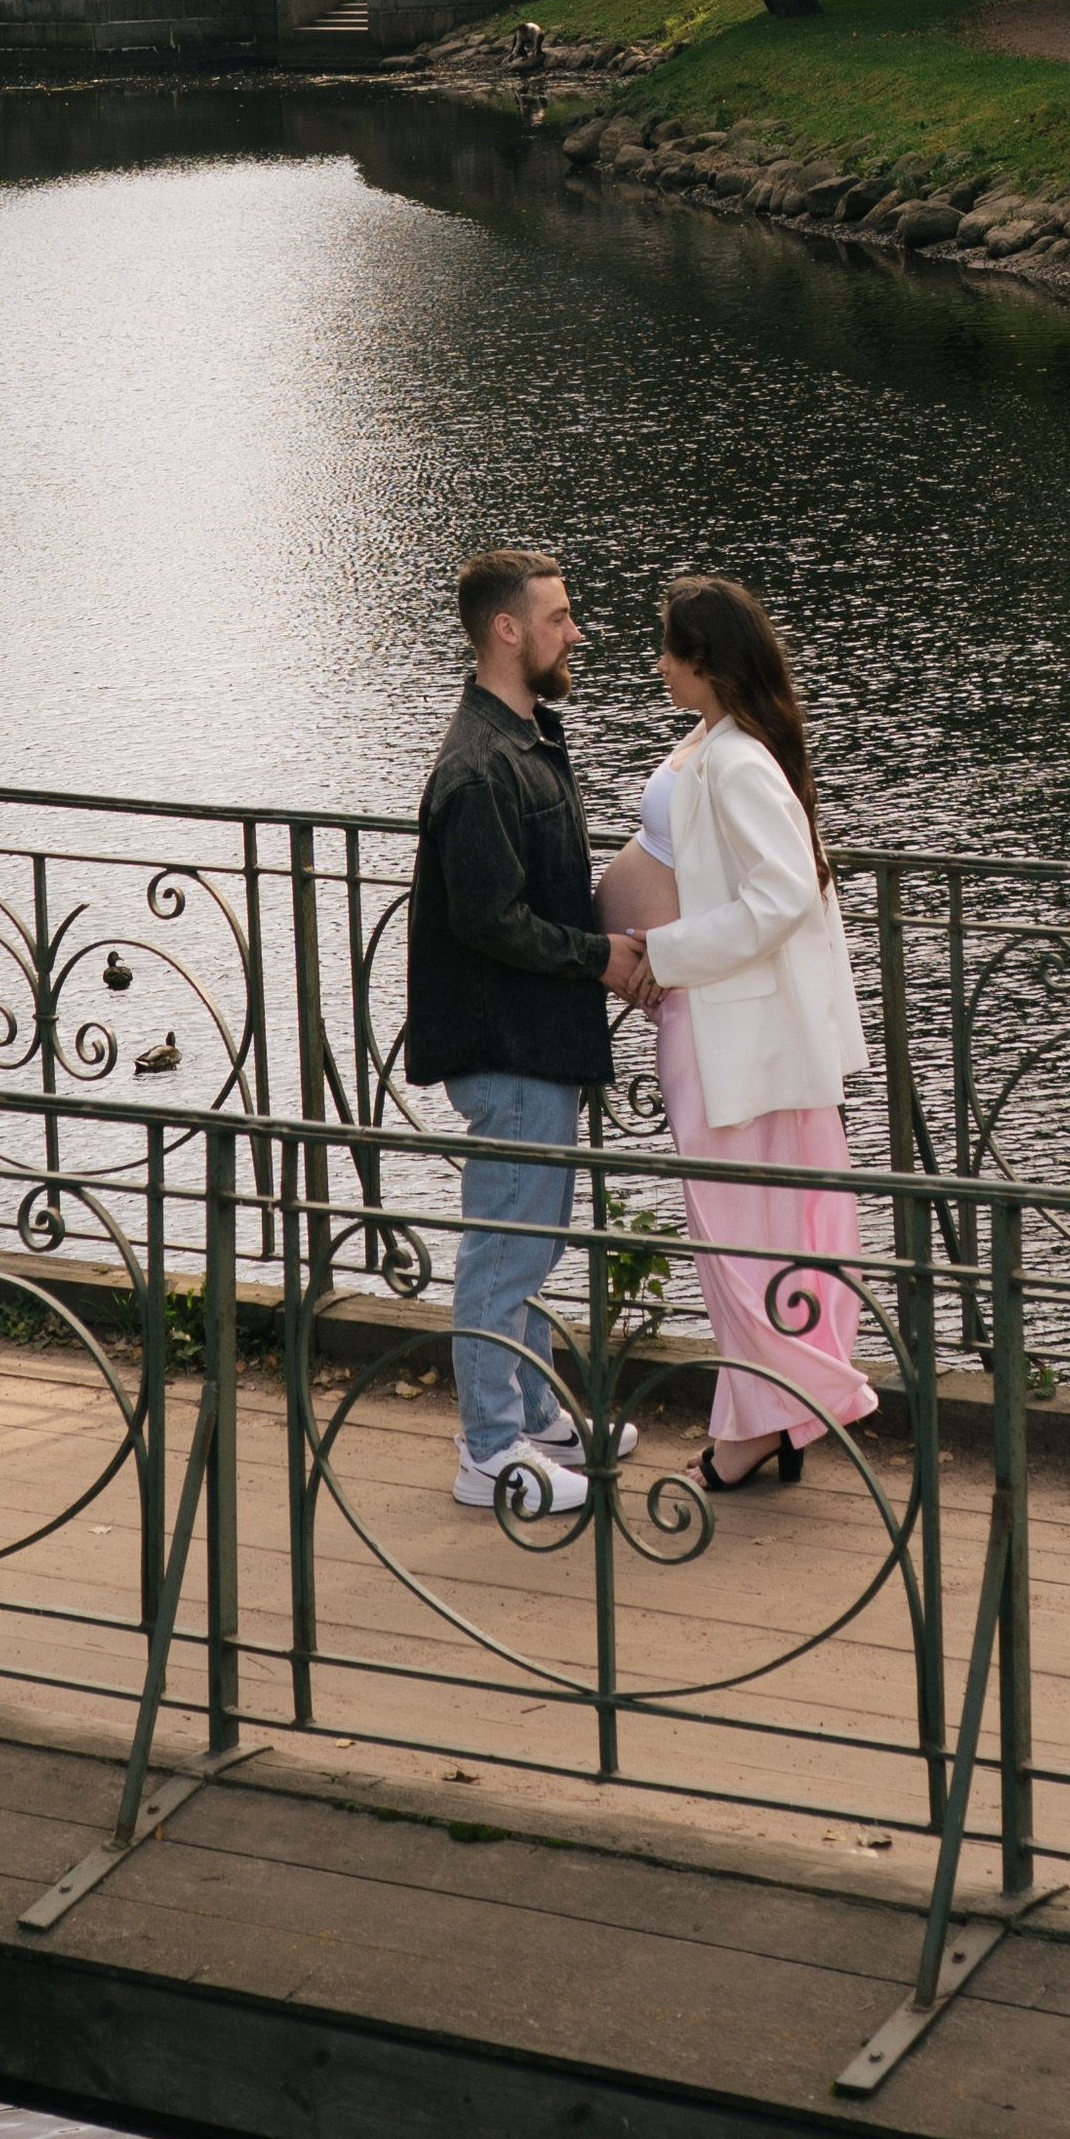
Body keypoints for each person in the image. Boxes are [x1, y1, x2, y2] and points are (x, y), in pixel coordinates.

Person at [592, 576, 875, 1494]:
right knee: (746, 1231)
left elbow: (784, 894)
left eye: (671, 649)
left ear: (707, 662)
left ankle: (770, 1421)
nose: (659, 663)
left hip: (726, 1027)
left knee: (736, 1234)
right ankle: (773, 1416)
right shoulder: (718, 739)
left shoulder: (743, 760)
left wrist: (663, 953)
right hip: (707, 1017)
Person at [406, 548, 655, 1518]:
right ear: (506, 630)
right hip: (506, 1044)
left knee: (533, 1236)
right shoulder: (478, 766)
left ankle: (533, 1417)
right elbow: (489, 919)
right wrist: (600, 957)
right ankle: (489, 1451)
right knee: (504, 1245)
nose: (575, 630)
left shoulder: (520, 737)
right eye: (557, 617)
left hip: (535, 1037)